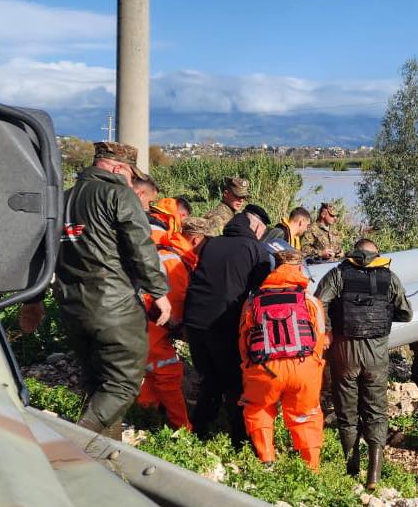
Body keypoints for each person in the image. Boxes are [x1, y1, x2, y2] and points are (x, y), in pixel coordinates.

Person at [46, 141, 170, 436]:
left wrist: (34, 300)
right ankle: (77, 440)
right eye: (131, 175)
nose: (132, 183)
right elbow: (140, 247)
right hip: (114, 307)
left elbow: (43, 251)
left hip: (72, 307)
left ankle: (103, 452)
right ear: (119, 168)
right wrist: (159, 292)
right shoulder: (118, 194)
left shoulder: (62, 199)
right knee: (122, 385)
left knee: (98, 384)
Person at [315, 238, 413, 488]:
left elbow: (318, 302)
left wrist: (328, 329)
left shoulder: (338, 274)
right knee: (376, 412)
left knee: (346, 413)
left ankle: (352, 472)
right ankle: (374, 476)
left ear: (354, 252)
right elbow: (407, 313)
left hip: (344, 351)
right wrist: (382, 314)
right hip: (376, 354)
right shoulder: (389, 278)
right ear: (376, 255)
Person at [183, 204, 272, 445]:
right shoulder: (255, 249)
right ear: (256, 227)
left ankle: (199, 431)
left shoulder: (211, 244)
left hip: (194, 322)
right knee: (235, 382)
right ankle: (239, 439)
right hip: (224, 323)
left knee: (210, 378)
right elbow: (262, 292)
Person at [237, 249, 327, 469]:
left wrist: (249, 366)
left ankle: (267, 459)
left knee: (259, 409)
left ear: (274, 268)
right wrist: (313, 363)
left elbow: (244, 340)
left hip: (264, 368)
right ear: (300, 268)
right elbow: (320, 338)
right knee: (306, 415)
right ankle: (311, 468)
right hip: (303, 366)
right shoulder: (309, 300)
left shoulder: (253, 301)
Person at [137, 200, 194, 431]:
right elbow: (176, 295)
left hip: (134, 318)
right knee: (167, 371)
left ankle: (146, 415)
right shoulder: (168, 250)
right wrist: (178, 326)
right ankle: (183, 428)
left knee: (150, 371)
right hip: (155, 321)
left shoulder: (139, 236)